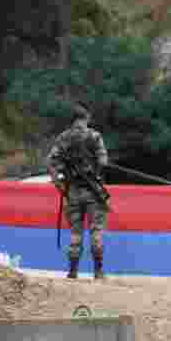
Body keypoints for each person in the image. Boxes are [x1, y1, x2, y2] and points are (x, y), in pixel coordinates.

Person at [47, 104, 110, 280]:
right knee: (96, 231)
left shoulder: (63, 138)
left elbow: (50, 162)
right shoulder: (95, 136)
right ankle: (98, 272)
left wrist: (59, 184)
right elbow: (103, 162)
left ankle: (73, 271)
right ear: (86, 118)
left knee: (76, 232)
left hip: (72, 192)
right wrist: (95, 166)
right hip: (93, 191)